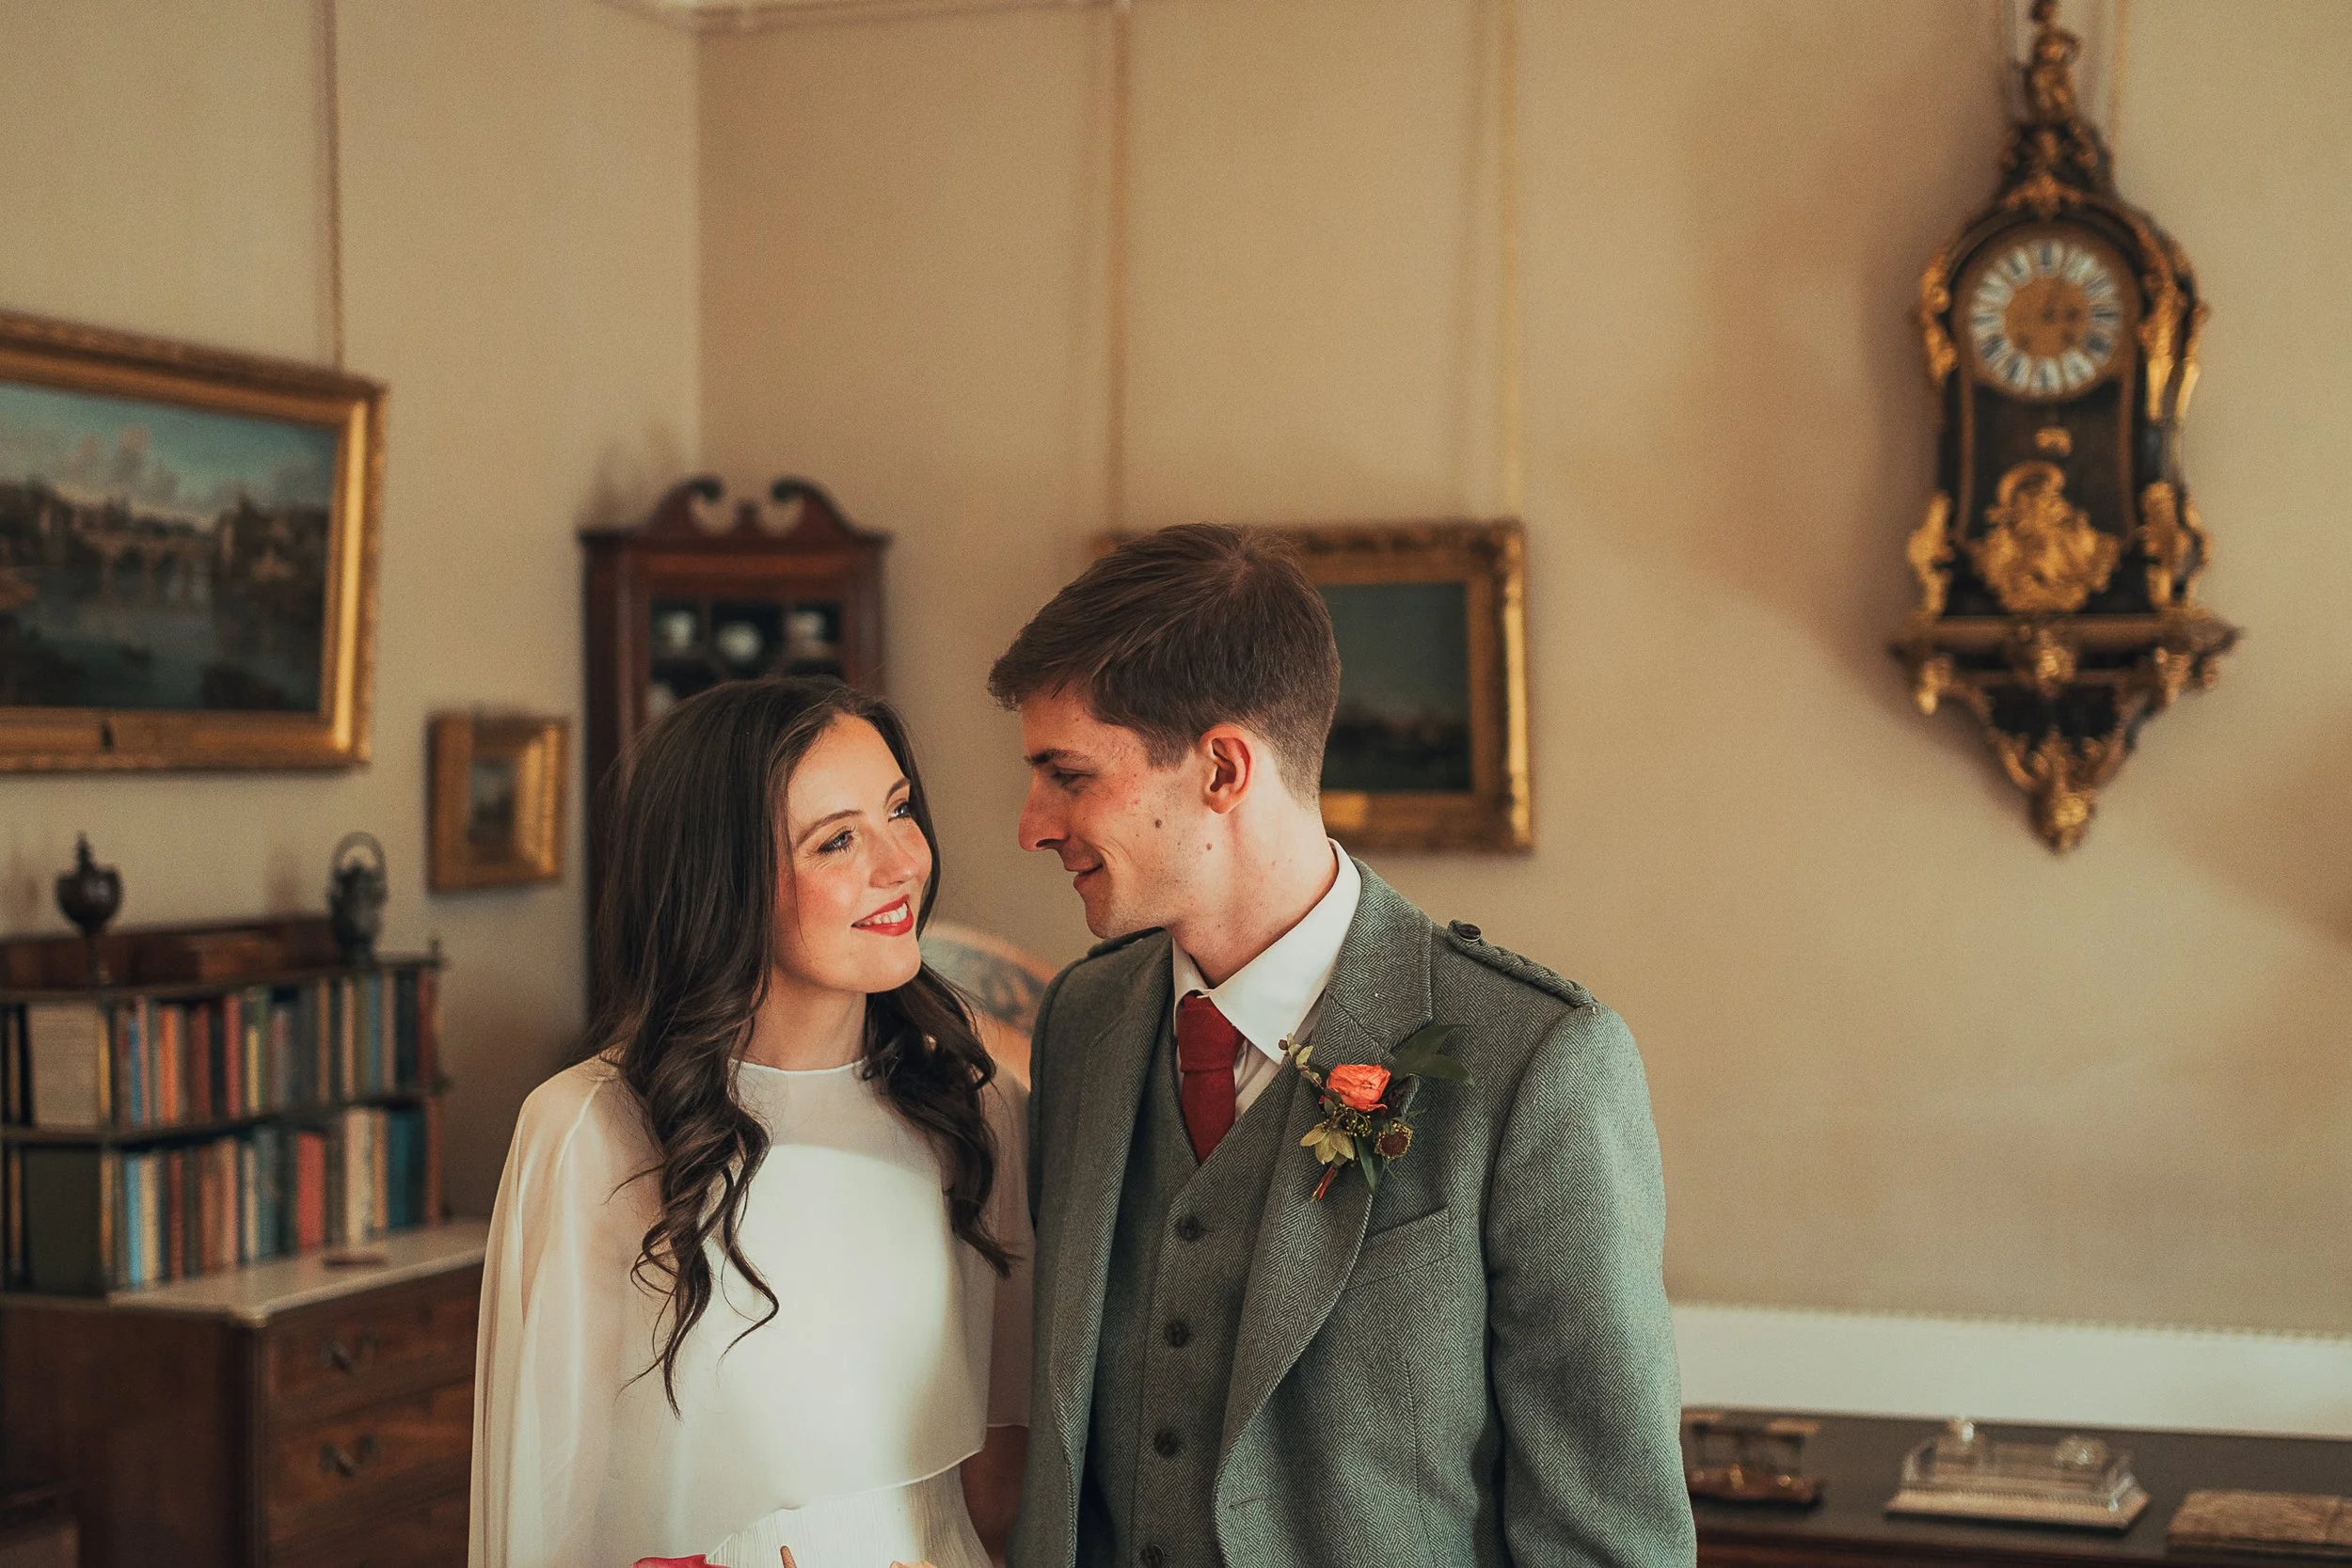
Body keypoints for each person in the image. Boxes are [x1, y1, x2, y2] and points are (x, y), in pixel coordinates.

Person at [990, 524, 1693, 1568]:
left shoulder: (1536, 1060)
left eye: (1068, 773)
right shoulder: (1082, 1021)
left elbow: (1609, 1535)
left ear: (1224, 768)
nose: (1030, 823)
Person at [470, 677, 1031, 1568]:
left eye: (899, 810)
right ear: (723, 879)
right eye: (837, 839)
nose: (901, 864)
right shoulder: (586, 1129)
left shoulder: (976, 1105)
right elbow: (544, 1517)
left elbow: (1002, 1490)